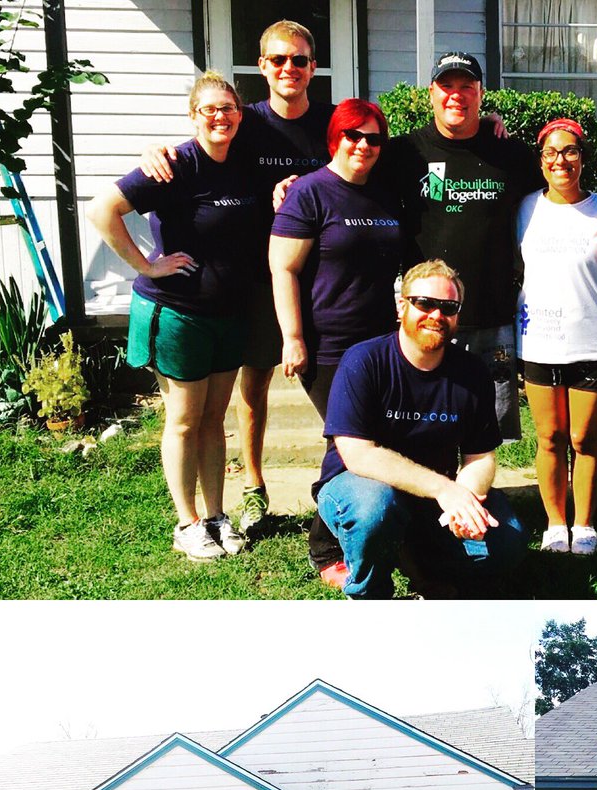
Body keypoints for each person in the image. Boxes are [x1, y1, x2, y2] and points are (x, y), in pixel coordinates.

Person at [140, 21, 335, 536]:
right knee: (255, 382)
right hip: (254, 277)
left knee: (342, 377)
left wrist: (490, 123)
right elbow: (202, 138)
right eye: (277, 60)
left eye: (298, 60)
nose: (288, 69)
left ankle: (341, 477)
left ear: (313, 66)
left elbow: (389, 148)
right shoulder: (244, 121)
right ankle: (254, 485)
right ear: (262, 67)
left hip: (325, 276)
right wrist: (155, 155)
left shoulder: (334, 122)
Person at [86, 72, 260, 561]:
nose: (221, 117)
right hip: (179, 313)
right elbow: (102, 210)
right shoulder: (174, 165)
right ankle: (187, 523)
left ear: (239, 114)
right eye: (210, 109)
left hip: (229, 314)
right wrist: (146, 265)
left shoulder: (243, 164)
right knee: (183, 420)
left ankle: (217, 516)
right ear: (193, 116)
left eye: (228, 108)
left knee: (213, 418)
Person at [315, 259, 526, 599]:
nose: (436, 315)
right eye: (424, 304)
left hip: (430, 498)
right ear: (402, 306)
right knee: (376, 510)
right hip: (360, 488)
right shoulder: (364, 361)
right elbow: (358, 455)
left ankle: (422, 564)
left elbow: (481, 455)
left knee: (507, 541)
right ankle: (371, 592)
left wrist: (465, 498)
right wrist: (445, 489)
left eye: (448, 307)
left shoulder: (472, 372)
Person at [378, 52, 543, 443]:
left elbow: (555, 201)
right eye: (446, 86)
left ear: (481, 94)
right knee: (420, 422)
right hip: (425, 315)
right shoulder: (405, 153)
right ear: (431, 94)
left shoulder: (512, 155)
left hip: (492, 317)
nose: (457, 95)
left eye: (466, 87)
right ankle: (428, 498)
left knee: (486, 427)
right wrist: (296, 185)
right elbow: (348, 181)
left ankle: (477, 497)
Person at [517, 119, 597, 556]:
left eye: (570, 152)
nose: (560, 161)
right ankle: (554, 524)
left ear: (584, 157)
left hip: (594, 341)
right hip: (539, 341)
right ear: (541, 160)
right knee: (549, 438)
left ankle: (583, 524)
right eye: (551, 153)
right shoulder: (524, 208)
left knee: (584, 439)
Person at [269, 98, 403, 421]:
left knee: (376, 435)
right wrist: (293, 338)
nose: (363, 145)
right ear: (335, 138)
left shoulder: (385, 195)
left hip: (382, 340)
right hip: (328, 347)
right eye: (352, 136)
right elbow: (283, 268)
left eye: (373, 139)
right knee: (346, 437)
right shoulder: (308, 193)